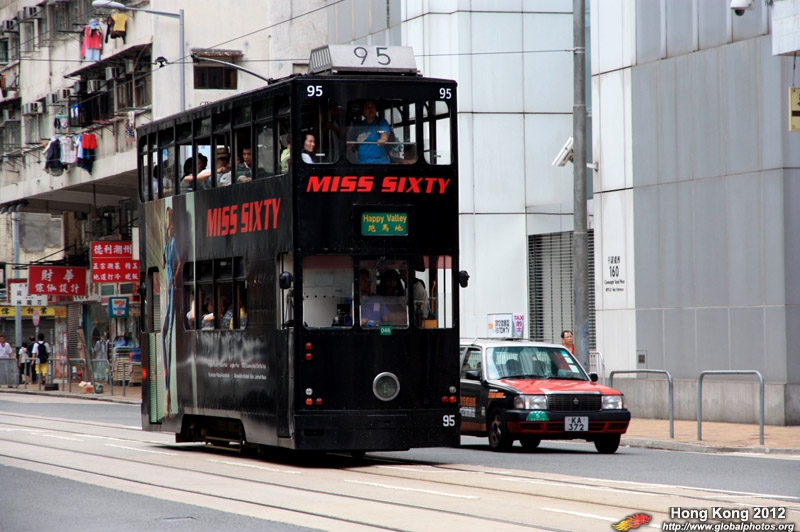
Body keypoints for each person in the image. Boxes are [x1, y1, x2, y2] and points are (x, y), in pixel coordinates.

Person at [349, 99, 392, 164]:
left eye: (372, 106)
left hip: (380, 163)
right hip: (362, 163)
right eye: (367, 107)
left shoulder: (381, 122)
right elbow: (349, 141)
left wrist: (383, 139)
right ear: (363, 111)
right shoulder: (359, 126)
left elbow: (384, 134)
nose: (370, 108)